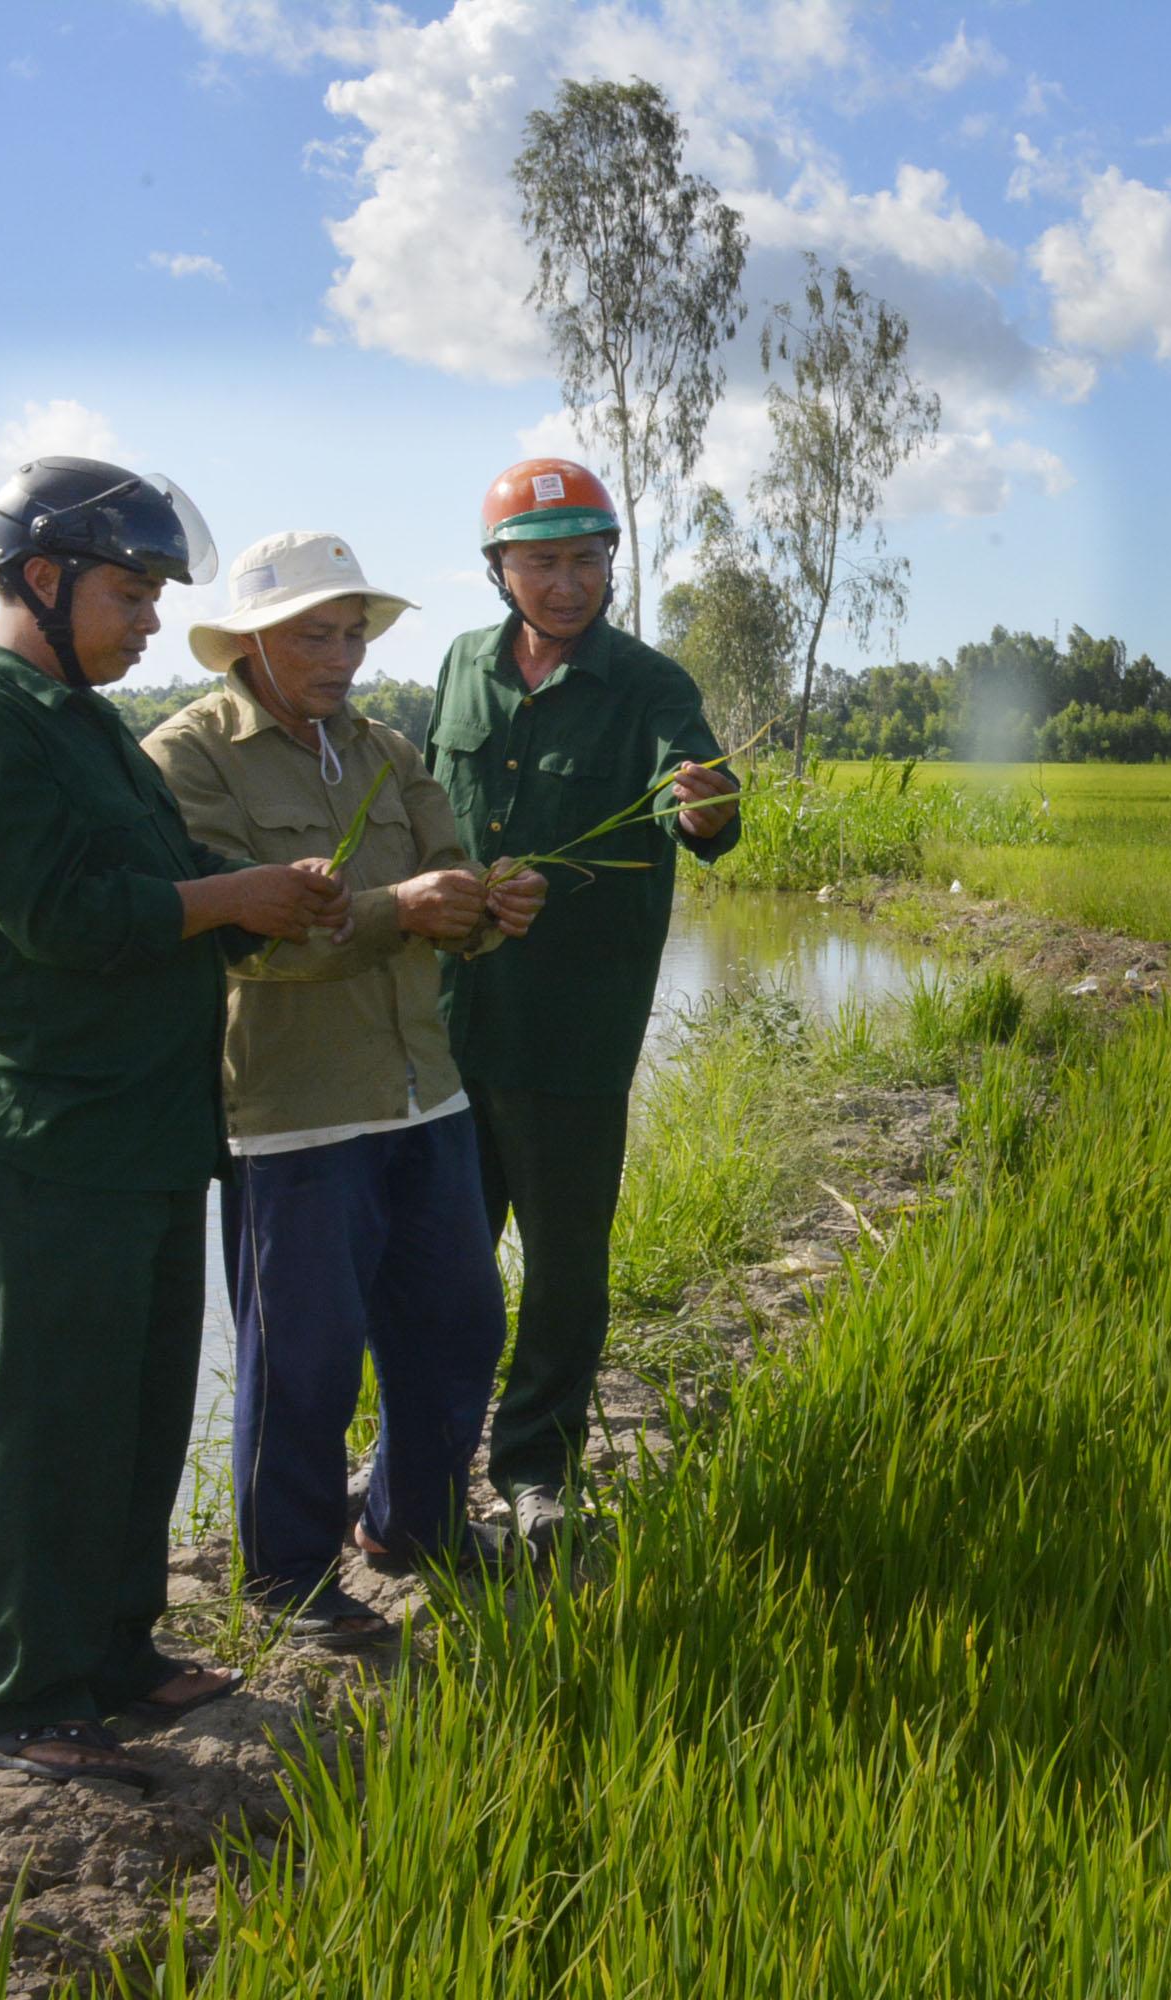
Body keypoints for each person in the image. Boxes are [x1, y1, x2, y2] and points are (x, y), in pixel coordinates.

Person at [0, 457, 350, 1790]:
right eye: (129, 591)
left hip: (148, 1134)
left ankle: (116, 1653)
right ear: (40, 578)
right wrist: (233, 902)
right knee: (53, 1424)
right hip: (48, 1142)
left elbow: (163, 872)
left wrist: (268, 888)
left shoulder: (82, 716)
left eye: (156, 593)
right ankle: (21, 1696)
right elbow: (68, 918)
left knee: (144, 1413)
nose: (149, 618)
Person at [143, 531, 549, 1648]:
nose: (341, 654)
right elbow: (245, 942)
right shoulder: (190, 759)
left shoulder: (384, 747)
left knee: (461, 1324)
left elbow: (447, 884)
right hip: (294, 1110)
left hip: (427, 1092)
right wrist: (399, 912)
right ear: (252, 643)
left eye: (352, 632)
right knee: (304, 1358)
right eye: (313, 634)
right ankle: (285, 1577)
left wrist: (488, 910)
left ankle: (410, 1524)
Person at [423, 458, 740, 1556]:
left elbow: (690, 790)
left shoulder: (650, 683)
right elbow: (427, 806)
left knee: (562, 1264)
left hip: (574, 1028)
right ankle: (417, 1451)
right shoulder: (463, 667)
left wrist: (701, 805)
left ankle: (533, 1465)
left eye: (587, 559)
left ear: (613, 562)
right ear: (500, 570)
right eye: (543, 561)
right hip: (449, 1020)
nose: (567, 583)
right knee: (440, 1259)